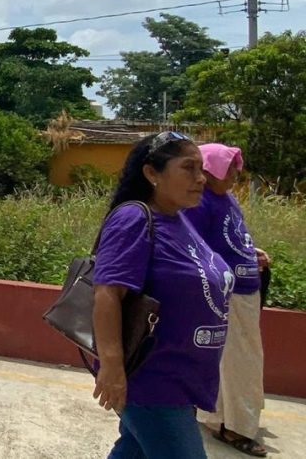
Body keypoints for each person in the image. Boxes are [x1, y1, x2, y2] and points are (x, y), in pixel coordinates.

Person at [92, 131, 234, 459]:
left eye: (202, 169)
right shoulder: (134, 219)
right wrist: (111, 367)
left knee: (133, 452)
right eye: (188, 168)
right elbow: (107, 293)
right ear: (152, 173)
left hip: (184, 379)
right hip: (153, 381)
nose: (201, 178)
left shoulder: (181, 219)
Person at [184, 143, 271, 457]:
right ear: (212, 168)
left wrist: (251, 252)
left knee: (239, 361)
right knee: (238, 363)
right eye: (231, 167)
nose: (237, 173)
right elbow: (194, 249)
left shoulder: (228, 200)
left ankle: (221, 418)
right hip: (225, 295)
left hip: (245, 292)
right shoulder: (199, 202)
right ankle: (234, 427)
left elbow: (230, 239)